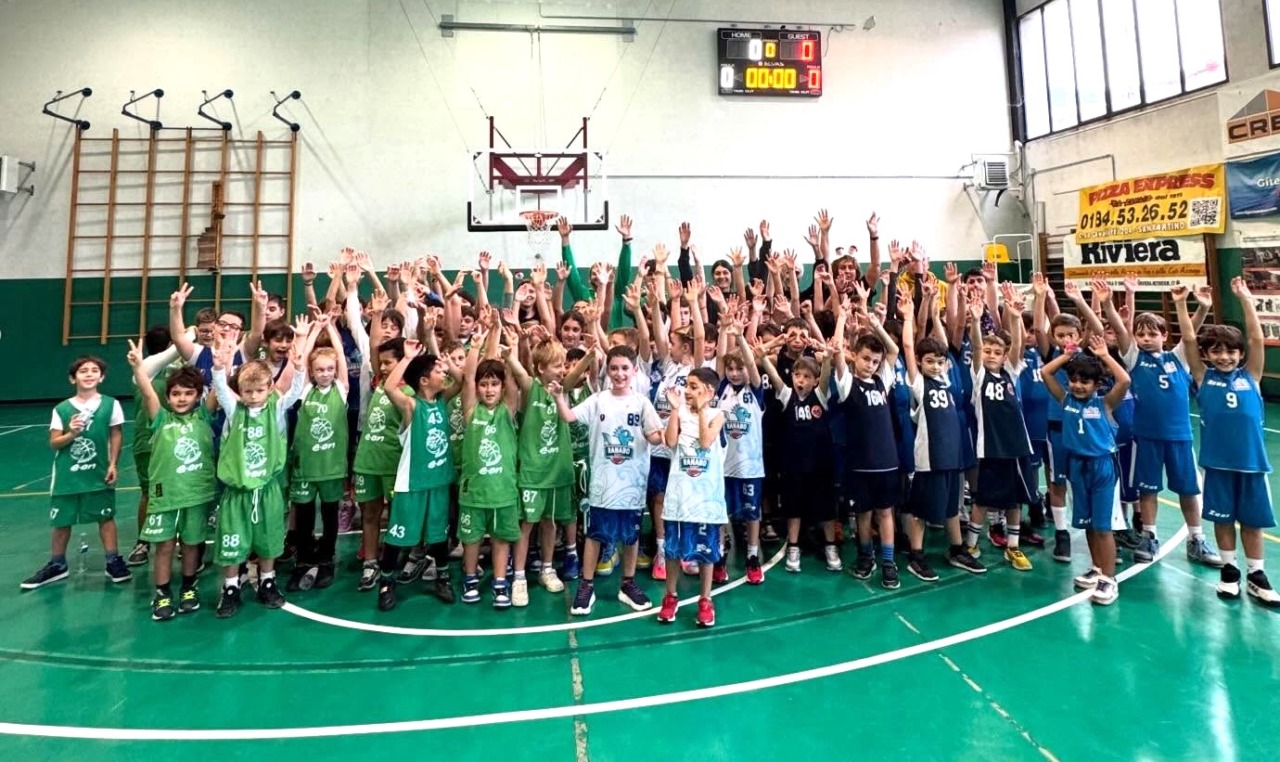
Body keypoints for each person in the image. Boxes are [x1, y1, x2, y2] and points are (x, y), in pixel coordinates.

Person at [1174, 279, 1279, 605]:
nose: (1225, 356)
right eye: (1217, 351)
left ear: (1240, 354)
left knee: (1252, 521)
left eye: (1231, 351)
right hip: (1217, 465)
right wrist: (1180, 304)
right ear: (1207, 355)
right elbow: (1189, 339)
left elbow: (1255, 338)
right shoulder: (1204, 378)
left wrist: (1246, 298)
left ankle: (1257, 574)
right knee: (1222, 519)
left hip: (1252, 465)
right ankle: (1230, 571)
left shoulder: (1252, 377)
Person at [1108, 284, 1223, 568]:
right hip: (1146, 437)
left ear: (1165, 336)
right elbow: (1120, 332)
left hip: (1180, 437)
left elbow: (1190, 334)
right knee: (1148, 490)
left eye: (1152, 334)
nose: (1146, 339)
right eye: (1141, 334)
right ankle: (1149, 535)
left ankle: (1196, 538)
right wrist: (1108, 305)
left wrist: (1202, 307)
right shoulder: (1134, 359)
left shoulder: (1179, 358)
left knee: (1188, 490)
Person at [552, 344, 664, 616]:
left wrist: (670, 428)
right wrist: (558, 396)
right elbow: (568, 417)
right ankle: (586, 586)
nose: (619, 373)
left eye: (625, 368)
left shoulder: (641, 403)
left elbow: (655, 436)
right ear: (607, 371)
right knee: (595, 536)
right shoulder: (598, 400)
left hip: (632, 486)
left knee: (631, 537)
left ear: (634, 371)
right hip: (603, 485)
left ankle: (627, 584)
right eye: (614, 368)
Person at [210, 321, 311, 618]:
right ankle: (230, 587)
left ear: (269, 388)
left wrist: (299, 365)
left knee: (268, 540)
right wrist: (220, 366)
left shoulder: (277, 408)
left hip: (267, 490)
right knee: (232, 541)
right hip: (237, 492)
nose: (253, 396)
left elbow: (293, 393)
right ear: (240, 390)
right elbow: (220, 387)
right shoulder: (233, 409)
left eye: (258, 390)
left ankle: (268, 581)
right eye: (248, 390)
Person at [21, 356, 130, 590]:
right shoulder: (61, 409)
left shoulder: (111, 404)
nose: (89, 374)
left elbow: (116, 434)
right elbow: (55, 443)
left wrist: (113, 463)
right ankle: (57, 564)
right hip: (67, 476)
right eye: (83, 371)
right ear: (73, 378)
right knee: (62, 522)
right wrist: (71, 433)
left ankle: (113, 561)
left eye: (94, 371)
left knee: (105, 517)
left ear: (101, 377)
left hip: (98, 472)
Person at [126, 344, 216, 620]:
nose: (181, 398)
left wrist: (222, 360)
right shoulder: (161, 418)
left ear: (198, 396)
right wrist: (138, 367)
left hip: (196, 493)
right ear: (168, 396)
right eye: (176, 394)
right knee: (164, 545)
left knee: (191, 544)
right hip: (165, 495)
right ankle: (163, 593)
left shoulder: (203, 415)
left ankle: (189, 586)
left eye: (188, 394)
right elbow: (147, 390)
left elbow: (219, 390)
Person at [901, 289, 985, 580]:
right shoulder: (919, 385)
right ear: (921, 364)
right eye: (930, 362)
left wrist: (938, 317)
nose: (936, 366)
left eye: (939, 362)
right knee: (921, 510)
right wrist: (910, 315)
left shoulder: (946, 379)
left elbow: (946, 348)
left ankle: (956, 549)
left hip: (952, 457)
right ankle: (916, 555)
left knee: (952, 508)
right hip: (930, 459)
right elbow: (910, 348)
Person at [1041, 335, 1131, 605]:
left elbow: (1124, 380)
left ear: (1097, 384)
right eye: (1074, 379)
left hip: (1102, 466)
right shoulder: (1065, 399)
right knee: (1088, 524)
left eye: (1085, 381)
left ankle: (1109, 579)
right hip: (1076, 466)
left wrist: (1104, 356)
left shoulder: (1104, 403)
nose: (1078, 385)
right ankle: (1097, 568)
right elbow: (1046, 371)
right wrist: (1068, 356)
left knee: (1103, 526)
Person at [376, 338, 461, 610]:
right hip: (411, 483)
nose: (443, 374)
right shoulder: (412, 406)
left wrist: (446, 363)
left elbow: (461, 383)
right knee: (398, 536)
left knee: (438, 534)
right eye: (437, 372)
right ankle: (387, 582)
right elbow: (390, 386)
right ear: (424, 381)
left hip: (438, 482)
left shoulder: (442, 400)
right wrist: (408, 359)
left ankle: (443, 577)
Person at [967, 286, 1037, 571]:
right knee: (983, 499)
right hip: (990, 448)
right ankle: (971, 542)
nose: (993, 355)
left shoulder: (1010, 372)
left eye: (998, 351)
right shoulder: (979, 375)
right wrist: (974, 321)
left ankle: (1014, 546)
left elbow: (1018, 347)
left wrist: (1016, 316)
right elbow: (975, 347)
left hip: (1016, 447)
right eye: (988, 350)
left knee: (1015, 500)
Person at [507, 329, 576, 606]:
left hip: (557, 470)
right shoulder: (530, 386)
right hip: (533, 471)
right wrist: (510, 347)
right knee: (528, 524)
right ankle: (520, 577)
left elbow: (573, 375)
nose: (562, 370)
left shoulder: (562, 389)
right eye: (557, 365)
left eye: (563, 365)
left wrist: (591, 354)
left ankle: (547, 568)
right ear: (540, 368)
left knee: (550, 522)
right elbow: (516, 366)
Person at [456, 316, 522, 608]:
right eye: (484, 385)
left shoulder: (508, 410)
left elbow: (511, 383)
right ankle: (470, 579)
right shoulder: (471, 411)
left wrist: (509, 354)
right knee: (471, 539)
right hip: (474, 491)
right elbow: (468, 378)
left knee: (500, 538)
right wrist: (475, 347)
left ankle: (499, 582)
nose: (489, 389)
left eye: (494, 384)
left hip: (503, 490)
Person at [656, 367, 727, 627]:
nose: (687, 391)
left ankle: (705, 600)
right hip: (678, 498)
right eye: (687, 385)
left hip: (706, 502)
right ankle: (670, 596)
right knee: (673, 552)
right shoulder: (680, 412)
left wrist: (702, 409)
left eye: (694, 387)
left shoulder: (719, 414)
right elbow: (671, 441)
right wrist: (675, 410)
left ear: (709, 392)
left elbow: (707, 441)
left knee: (706, 554)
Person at [287, 315, 349, 591]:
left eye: (329, 369)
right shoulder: (305, 389)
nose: (325, 373)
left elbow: (342, 357)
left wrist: (331, 328)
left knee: (330, 514)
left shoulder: (340, 388)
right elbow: (301, 360)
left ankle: (326, 559)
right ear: (312, 372)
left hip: (332, 466)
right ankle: (303, 560)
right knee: (304, 517)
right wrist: (312, 332)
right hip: (306, 467)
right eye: (320, 369)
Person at [716, 317, 767, 585]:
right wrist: (726, 330)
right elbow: (721, 357)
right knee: (722, 513)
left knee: (752, 514)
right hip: (724, 467)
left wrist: (742, 337)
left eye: (739, 368)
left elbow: (749, 364)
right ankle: (721, 555)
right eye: (731, 369)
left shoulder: (755, 391)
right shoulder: (721, 389)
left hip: (750, 468)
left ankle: (752, 556)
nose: (735, 373)